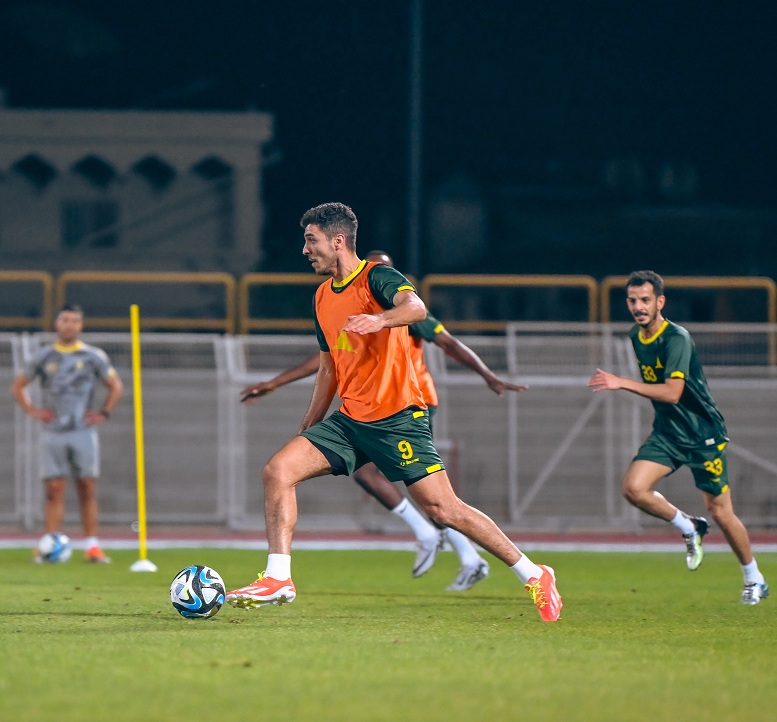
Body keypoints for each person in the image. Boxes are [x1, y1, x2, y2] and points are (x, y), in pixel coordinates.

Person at [227, 202, 562, 621]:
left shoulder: (377, 277)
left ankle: (534, 574)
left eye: (310, 240)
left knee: (443, 510)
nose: (304, 249)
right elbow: (330, 364)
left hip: (398, 417)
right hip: (350, 421)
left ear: (338, 241)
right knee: (278, 470)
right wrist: (309, 426)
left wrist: (381, 321)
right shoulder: (320, 297)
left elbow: (416, 309)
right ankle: (278, 579)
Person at [588, 270, 769, 605]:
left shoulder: (677, 338)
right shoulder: (635, 335)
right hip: (668, 433)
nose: (638, 307)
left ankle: (754, 577)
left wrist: (622, 382)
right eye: (632, 300)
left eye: (645, 300)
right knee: (633, 488)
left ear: (660, 302)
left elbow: (672, 392)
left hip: (702, 435)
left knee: (721, 511)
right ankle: (688, 526)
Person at [11, 304, 123, 563]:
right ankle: (50, 544)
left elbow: (115, 386)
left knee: (86, 486)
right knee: (54, 488)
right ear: (57, 324)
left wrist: (103, 413)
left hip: (83, 431)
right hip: (54, 432)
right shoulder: (44, 356)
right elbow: (18, 385)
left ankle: (93, 546)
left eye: (75, 321)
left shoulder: (93, 355)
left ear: (80, 325)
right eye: (65, 320)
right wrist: (32, 410)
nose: (70, 325)